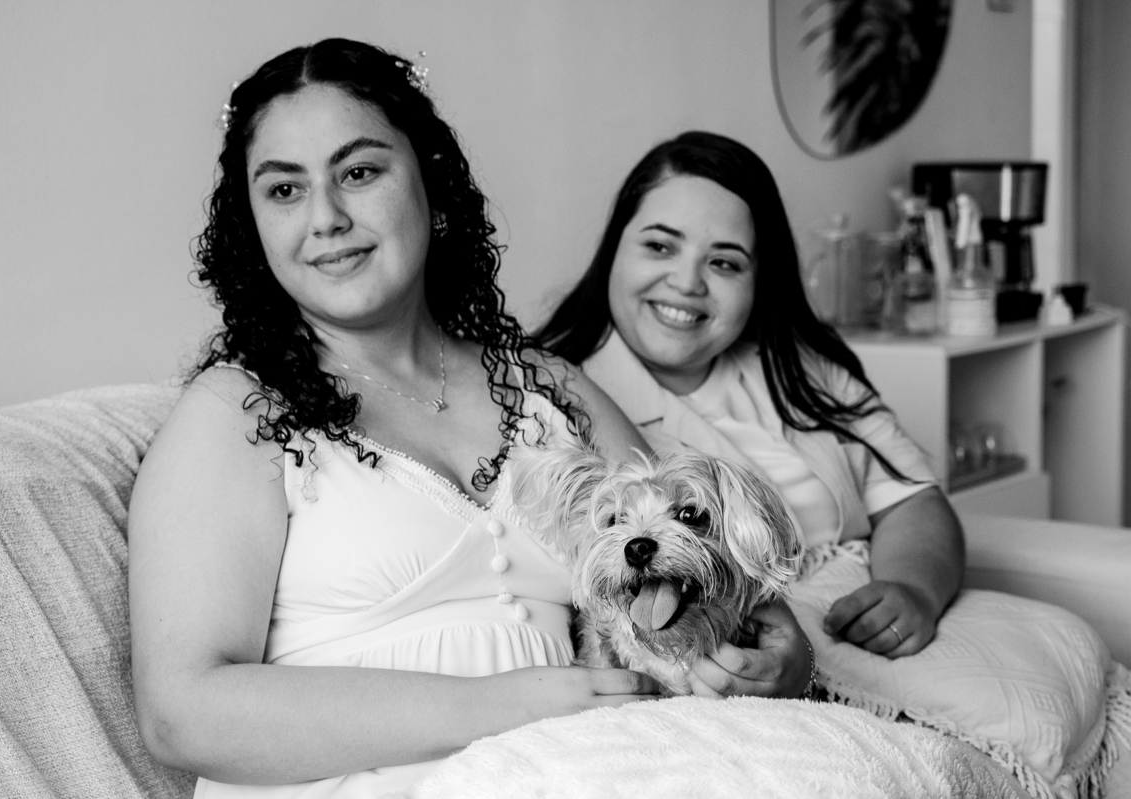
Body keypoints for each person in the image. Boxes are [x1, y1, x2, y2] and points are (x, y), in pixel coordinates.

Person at [128, 42, 812, 798]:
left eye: (359, 172)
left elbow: (696, 543)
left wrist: (784, 653)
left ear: (432, 183)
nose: (325, 218)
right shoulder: (234, 414)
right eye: (285, 190)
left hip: (594, 769)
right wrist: (496, 708)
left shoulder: (549, 387)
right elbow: (181, 714)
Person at [537, 131, 965, 661]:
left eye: (724, 263)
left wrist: (912, 591)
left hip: (869, 641)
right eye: (660, 246)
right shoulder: (548, 401)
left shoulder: (802, 371)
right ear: (613, 250)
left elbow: (913, 500)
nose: (687, 282)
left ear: (760, 281)